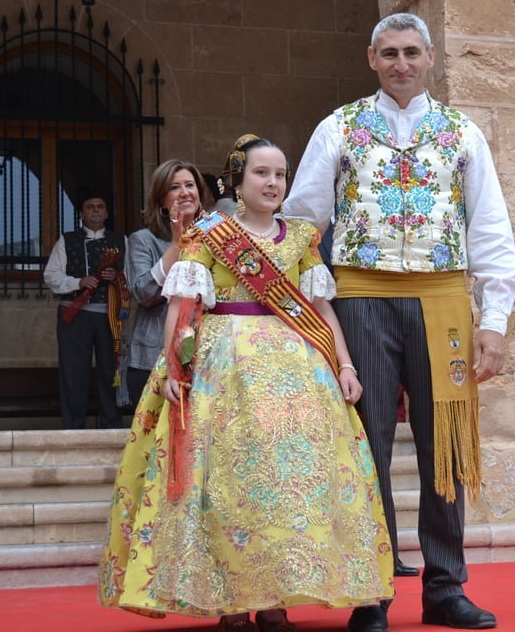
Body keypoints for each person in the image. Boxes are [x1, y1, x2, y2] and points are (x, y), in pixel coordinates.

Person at [283, 12, 515, 632]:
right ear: (370, 58)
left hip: (443, 298)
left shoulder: (463, 133)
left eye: (412, 52)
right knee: (368, 446)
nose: (401, 63)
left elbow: (490, 227)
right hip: (360, 294)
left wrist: (493, 320)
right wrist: (306, 308)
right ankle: (372, 592)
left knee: (445, 445)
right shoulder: (338, 127)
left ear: (432, 55)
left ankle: (445, 588)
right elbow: (303, 221)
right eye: (389, 53)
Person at [98, 135, 393, 628]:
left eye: (280, 174)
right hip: (223, 372)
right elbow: (182, 307)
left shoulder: (300, 237)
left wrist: (344, 364)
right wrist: (175, 367)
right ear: (236, 180)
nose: (273, 182)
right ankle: (230, 599)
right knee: (227, 484)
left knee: (283, 485)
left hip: (297, 376)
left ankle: (275, 596)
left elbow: (320, 308)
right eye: (262, 173)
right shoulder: (207, 235)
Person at [124, 159, 206, 407]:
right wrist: (175, 244)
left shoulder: (215, 239)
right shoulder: (143, 240)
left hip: (206, 358)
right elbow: (143, 294)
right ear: (161, 200)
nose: (184, 193)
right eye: (174, 187)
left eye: (189, 185)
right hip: (152, 358)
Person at [43, 194, 127, 429]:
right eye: (90, 207)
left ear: (107, 213)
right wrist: (78, 282)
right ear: (81, 214)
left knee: (110, 371)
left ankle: (111, 426)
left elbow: (131, 277)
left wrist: (117, 277)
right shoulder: (66, 240)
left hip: (107, 315)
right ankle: (73, 427)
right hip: (74, 314)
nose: (96, 211)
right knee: (73, 371)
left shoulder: (121, 240)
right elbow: (51, 276)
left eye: (101, 207)